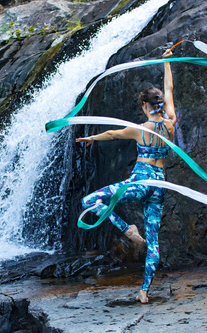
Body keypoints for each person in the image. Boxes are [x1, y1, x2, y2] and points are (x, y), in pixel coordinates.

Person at [75, 49, 175, 303]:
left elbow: (112, 134)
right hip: (159, 185)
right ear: (160, 104)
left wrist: (90, 138)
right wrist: (166, 62)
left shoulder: (141, 129)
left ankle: (128, 229)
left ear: (144, 105)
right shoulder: (171, 122)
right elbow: (170, 89)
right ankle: (144, 292)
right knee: (153, 241)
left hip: (139, 182)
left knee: (90, 202)